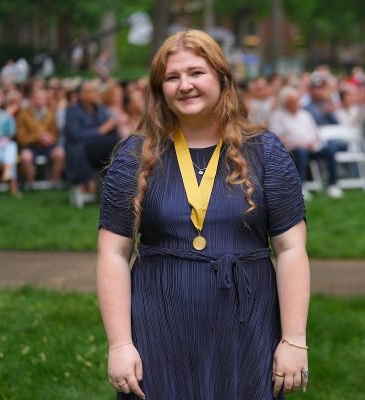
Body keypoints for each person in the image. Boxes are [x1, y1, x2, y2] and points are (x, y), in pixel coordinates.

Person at [97, 29, 310, 400]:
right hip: (158, 326)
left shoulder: (266, 152)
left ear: (221, 79)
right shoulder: (134, 155)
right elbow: (112, 253)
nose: (185, 85)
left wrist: (294, 339)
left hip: (248, 327)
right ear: (159, 88)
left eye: (196, 72)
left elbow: (291, 249)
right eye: (172, 77)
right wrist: (119, 344)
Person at [269, 85, 344, 199]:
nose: (297, 103)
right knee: (301, 153)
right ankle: (301, 188)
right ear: (286, 102)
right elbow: (277, 138)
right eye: (293, 101)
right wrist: (299, 144)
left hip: (311, 148)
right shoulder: (278, 116)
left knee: (330, 151)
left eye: (297, 100)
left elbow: (316, 133)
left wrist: (312, 142)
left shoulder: (305, 114)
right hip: (291, 150)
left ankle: (333, 185)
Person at [64, 80, 120, 194]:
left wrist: (111, 127)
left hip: (100, 149)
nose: (95, 93)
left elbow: (108, 129)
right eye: (90, 91)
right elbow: (75, 135)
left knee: (117, 141)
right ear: (80, 94)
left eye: (95, 91)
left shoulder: (100, 110)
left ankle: (115, 184)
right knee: (79, 147)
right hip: (82, 150)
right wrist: (100, 131)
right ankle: (89, 183)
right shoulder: (73, 111)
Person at [16, 88, 65, 188]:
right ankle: (31, 185)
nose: (41, 101)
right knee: (26, 157)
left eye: (43, 99)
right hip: (31, 146)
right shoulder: (23, 114)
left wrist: (50, 139)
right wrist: (38, 137)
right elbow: (21, 138)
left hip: (48, 146)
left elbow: (55, 135)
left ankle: (53, 183)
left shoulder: (51, 113)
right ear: (32, 100)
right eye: (38, 99)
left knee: (60, 153)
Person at [0, 87, 20, 196]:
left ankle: (7, 173)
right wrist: (5, 117)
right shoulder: (6, 115)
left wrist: (8, 117)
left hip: (3, 149)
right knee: (11, 156)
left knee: (12, 146)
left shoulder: (6, 114)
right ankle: (12, 184)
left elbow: (12, 132)